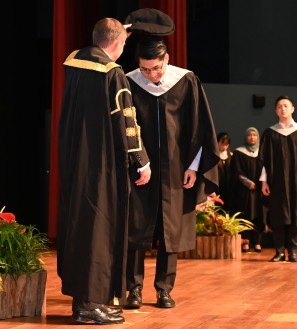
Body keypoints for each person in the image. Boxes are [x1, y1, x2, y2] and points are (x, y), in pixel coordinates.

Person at [56, 18, 151, 325]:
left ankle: (87, 300)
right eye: (123, 42)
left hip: (74, 158)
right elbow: (126, 120)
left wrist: (118, 29)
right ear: (115, 44)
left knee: (80, 226)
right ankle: (89, 306)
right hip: (101, 165)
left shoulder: (74, 62)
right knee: (98, 229)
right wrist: (142, 160)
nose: (123, 47)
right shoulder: (113, 73)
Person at [124, 36, 219, 309]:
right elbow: (125, 125)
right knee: (136, 228)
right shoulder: (130, 81)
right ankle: (134, 289)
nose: (151, 75)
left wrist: (192, 166)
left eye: (156, 68)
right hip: (140, 167)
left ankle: (164, 289)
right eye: (145, 69)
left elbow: (200, 127)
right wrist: (138, 161)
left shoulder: (186, 80)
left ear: (167, 59)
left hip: (177, 168)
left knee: (170, 231)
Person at [258, 95, 297, 262]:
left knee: (295, 215)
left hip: (296, 182)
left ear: (293, 109)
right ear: (275, 111)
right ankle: (279, 251)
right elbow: (263, 160)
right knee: (277, 216)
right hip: (275, 182)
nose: (282, 109)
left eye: (286, 106)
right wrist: (264, 181)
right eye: (279, 106)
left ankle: (292, 251)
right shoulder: (270, 133)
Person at [230, 127, 264, 252]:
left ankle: (257, 242)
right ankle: (246, 242)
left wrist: (261, 183)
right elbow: (236, 171)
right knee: (245, 215)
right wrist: (247, 182)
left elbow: (266, 170)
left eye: (255, 135)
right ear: (246, 137)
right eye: (250, 135)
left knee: (258, 216)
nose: (252, 137)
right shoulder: (239, 152)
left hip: (259, 191)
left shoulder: (262, 152)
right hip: (244, 191)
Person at [216, 132, 233, 210]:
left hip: (229, 188)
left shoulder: (231, 156)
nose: (224, 147)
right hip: (217, 188)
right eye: (222, 144)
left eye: (226, 144)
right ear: (217, 142)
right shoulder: (214, 156)